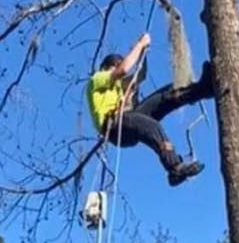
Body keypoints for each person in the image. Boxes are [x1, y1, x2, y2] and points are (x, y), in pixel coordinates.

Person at [86, 32, 213, 186]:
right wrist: (139, 46)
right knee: (152, 126)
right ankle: (174, 168)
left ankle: (203, 89)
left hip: (127, 119)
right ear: (108, 67)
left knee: (168, 94)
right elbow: (124, 70)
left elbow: (139, 74)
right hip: (114, 127)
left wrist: (142, 53)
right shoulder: (97, 79)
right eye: (116, 65)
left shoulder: (118, 88)